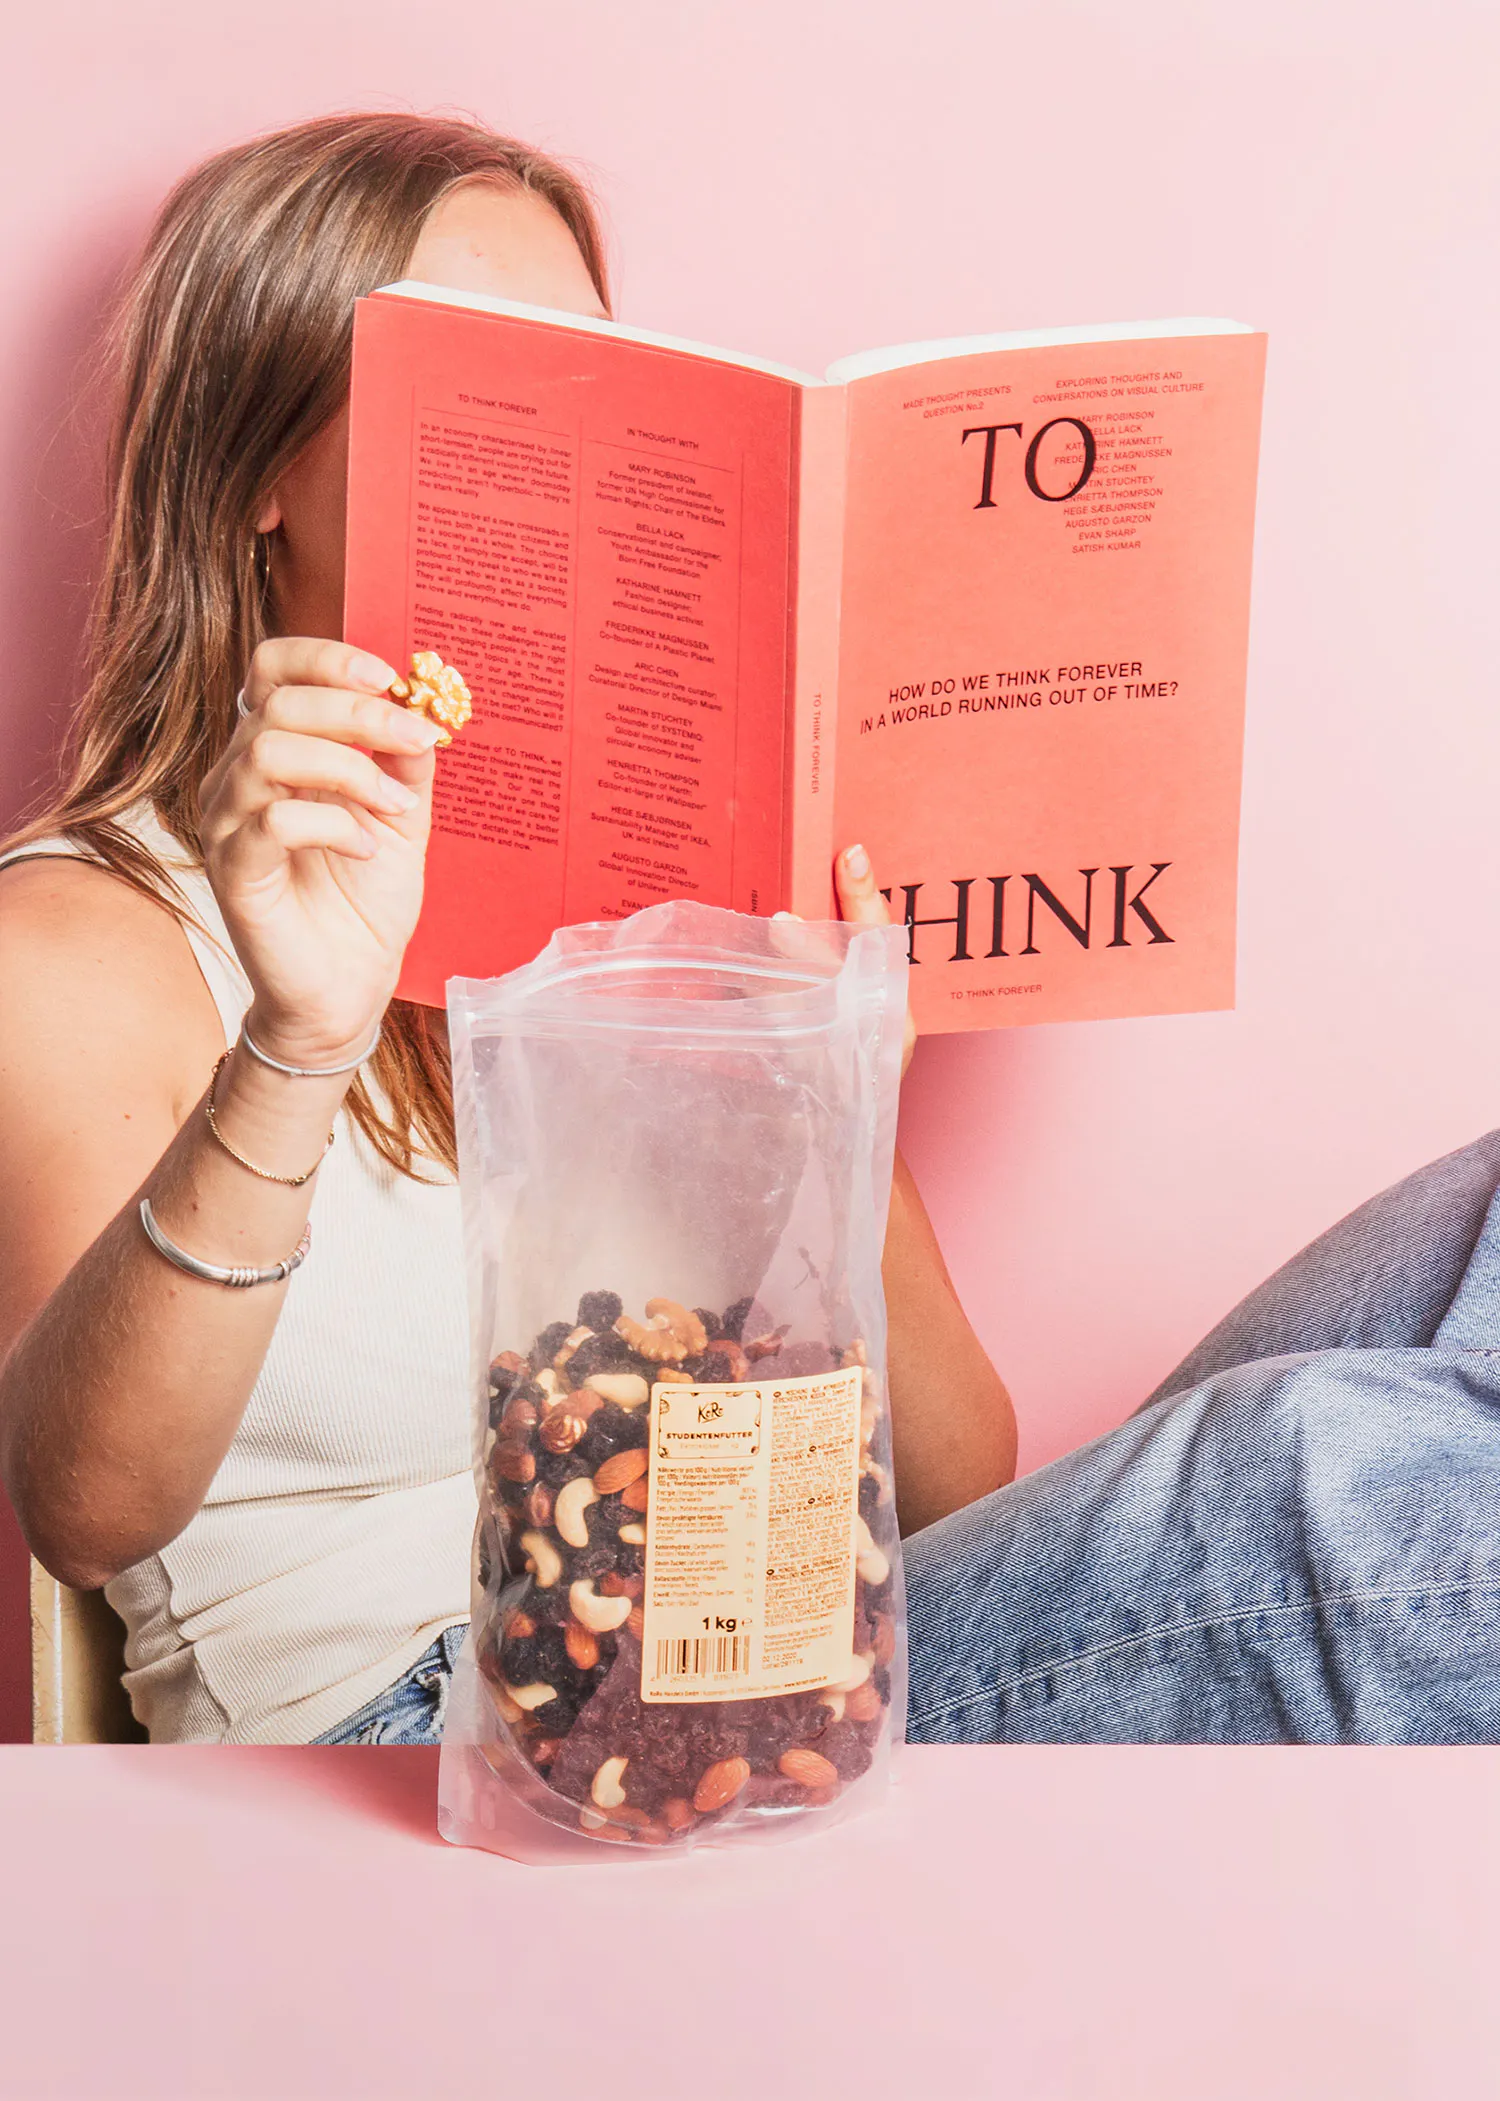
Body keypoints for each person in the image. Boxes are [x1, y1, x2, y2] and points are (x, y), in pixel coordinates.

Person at [0, 112, 1010, 1746]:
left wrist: (819, 1079)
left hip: (802, 1646)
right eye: (483, 384)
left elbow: (958, 1488)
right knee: (1324, 1478)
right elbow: (87, 1511)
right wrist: (299, 1039)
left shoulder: (662, 922)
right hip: (435, 1721)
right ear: (260, 463)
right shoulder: (81, 931)